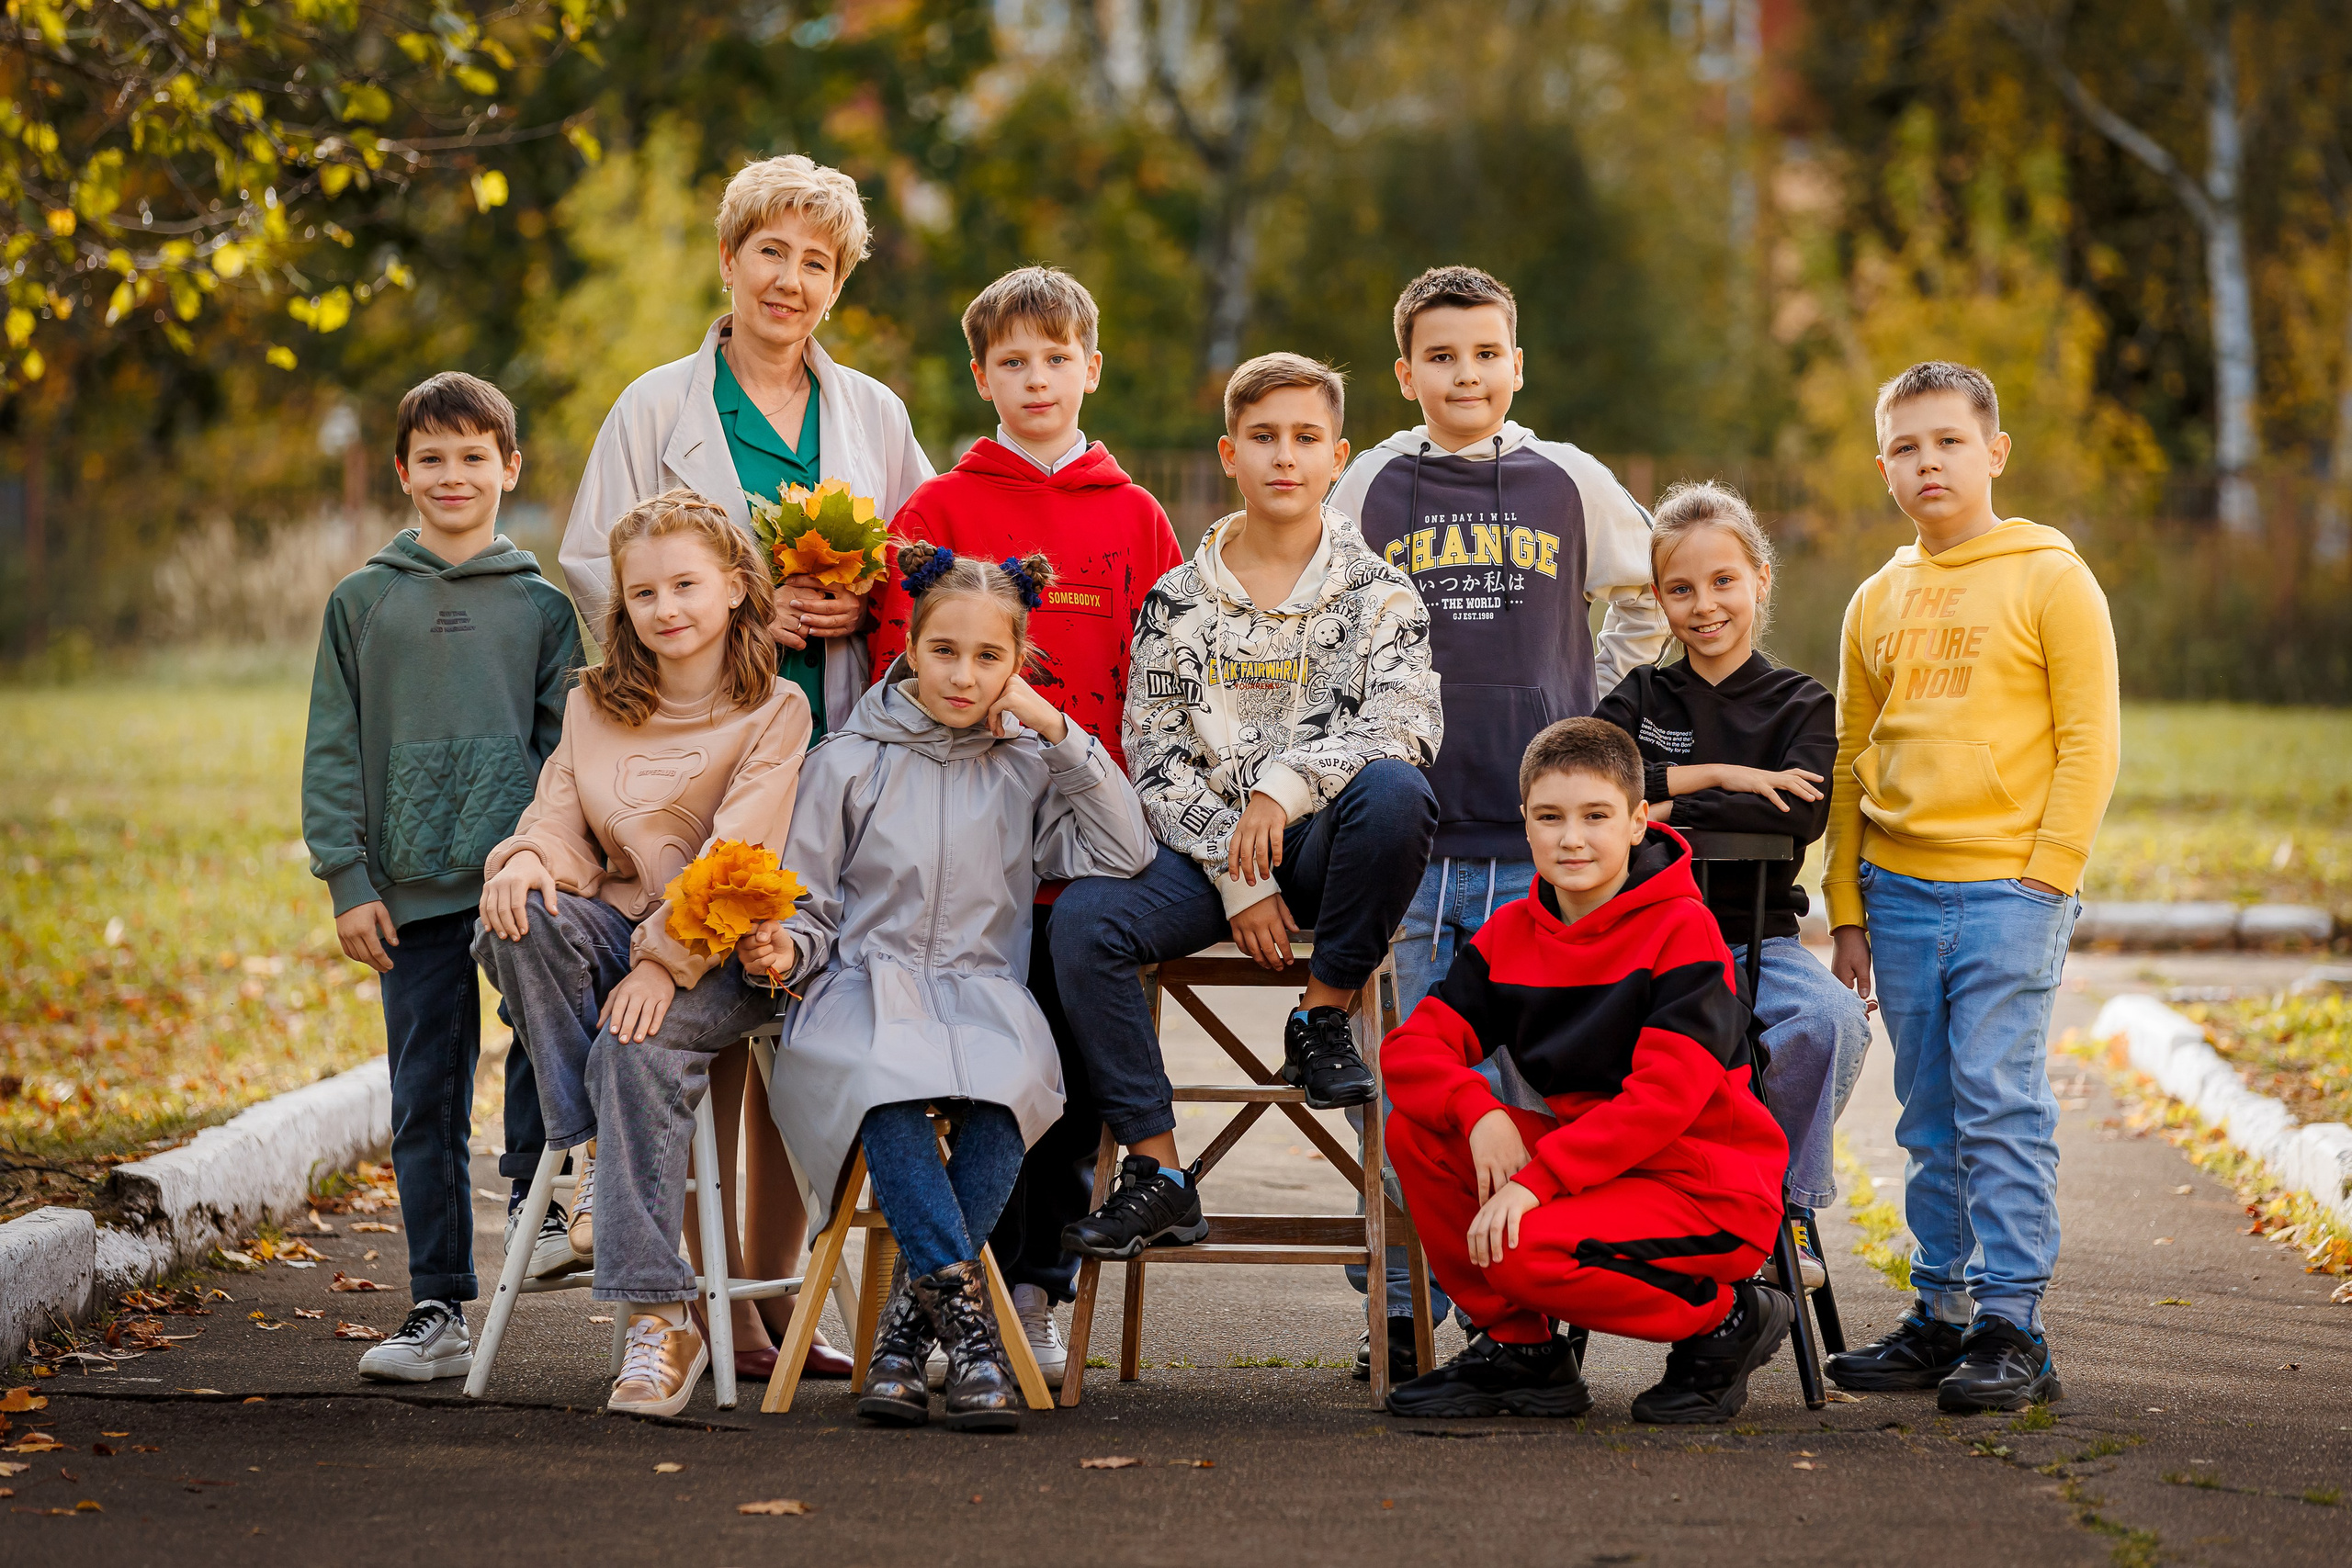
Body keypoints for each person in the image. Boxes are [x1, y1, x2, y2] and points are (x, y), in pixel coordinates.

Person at [556, 153, 931, 1370]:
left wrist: (864, 598)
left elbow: (921, 564)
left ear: (837, 285)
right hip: (698, 759)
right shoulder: (656, 409)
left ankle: (775, 1298)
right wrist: (738, 626)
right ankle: (705, 1294)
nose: (791, 278)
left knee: (796, 1011)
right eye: (771, 251)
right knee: (705, 1021)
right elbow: (599, 571)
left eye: (817, 262)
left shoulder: (869, 412)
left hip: (833, 751)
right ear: (730, 261)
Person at [1328, 265, 1668, 1371]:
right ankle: (1398, 1298)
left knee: (1536, 1088)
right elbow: (1316, 610)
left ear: (1516, 365)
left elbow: (1648, 592)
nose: (1464, 374)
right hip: (1419, 848)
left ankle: (1528, 1309)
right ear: (1405, 372)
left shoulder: (1567, 480)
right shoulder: (1369, 482)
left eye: (1484, 354)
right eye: (1441, 356)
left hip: (1541, 857)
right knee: (1416, 1085)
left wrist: (1594, 707)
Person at [740, 545, 1155, 1432]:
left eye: (989, 657)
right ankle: (971, 1338)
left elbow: (1124, 851)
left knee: (1010, 1099)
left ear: (1018, 663)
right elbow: (809, 909)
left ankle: (903, 1331)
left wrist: (1053, 728)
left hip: (983, 990)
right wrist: (783, 951)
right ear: (910, 645)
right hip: (865, 988)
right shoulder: (846, 760)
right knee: (886, 1092)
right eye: (944, 651)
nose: (964, 675)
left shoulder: (1025, 765)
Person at [865, 265, 1183, 1384]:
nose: (1036, 379)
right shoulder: (940, 512)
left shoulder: (1135, 514)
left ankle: (1029, 1293)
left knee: (1061, 1078)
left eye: (1056, 359)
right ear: (982, 377)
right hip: (955, 843)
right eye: (1013, 362)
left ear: (1091, 369)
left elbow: (1172, 681)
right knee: (944, 1077)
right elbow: (892, 663)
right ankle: (948, 1299)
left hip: (1086, 850)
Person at [1050, 353, 1442, 1260]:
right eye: (1263, 438)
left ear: (1337, 455)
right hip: (1206, 865)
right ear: (1229, 453)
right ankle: (1159, 1175)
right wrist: (1236, 875)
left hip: (1330, 856)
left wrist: (1281, 787)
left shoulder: (1379, 595)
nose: (1284, 458)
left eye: (1305, 439)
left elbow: (1402, 725)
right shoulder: (1175, 603)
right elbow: (1156, 762)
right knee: (1084, 921)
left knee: (1398, 790)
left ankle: (1320, 1016)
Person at [472, 490, 812, 1418]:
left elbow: (741, 855)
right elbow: (556, 819)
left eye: (687, 585)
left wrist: (663, 961)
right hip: (611, 932)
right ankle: (585, 1157)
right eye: (644, 594)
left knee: (633, 1051)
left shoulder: (777, 709)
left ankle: (659, 1321)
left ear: (739, 588)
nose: (667, 608)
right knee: (515, 915)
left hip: (728, 954)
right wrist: (523, 862)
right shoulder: (594, 704)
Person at [1821, 362, 2119, 1414]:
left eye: (1946, 441)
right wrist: (1846, 906)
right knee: (1928, 1113)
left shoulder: (2050, 577)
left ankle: (2012, 1326)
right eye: (1904, 446)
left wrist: (2048, 877)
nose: (1926, 462)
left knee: (2001, 1106)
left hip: (2008, 892)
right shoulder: (1876, 598)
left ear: (1993, 451)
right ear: (1882, 467)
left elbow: (2090, 743)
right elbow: (1853, 756)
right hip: (1895, 892)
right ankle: (1938, 1314)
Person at [1381, 718, 1792, 1425]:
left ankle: (1727, 1318)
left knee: (1517, 1252)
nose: (1572, 838)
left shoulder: (1683, 933)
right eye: (1551, 817)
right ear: (1526, 825)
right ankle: (1522, 1355)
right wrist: (1477, 1112)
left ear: (1637, 822)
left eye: (1595, 816)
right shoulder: (1508, 935)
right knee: (1418, 1131)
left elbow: (1662, 1100)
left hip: (1703, 1186)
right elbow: (1412, 1048)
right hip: (1596, 1172)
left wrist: (1538, 1181)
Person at [301, 372, 581, 1383]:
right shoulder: (362, 602)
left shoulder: (543, 609)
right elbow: (332, 748)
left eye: (474, 457)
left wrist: (550, 859)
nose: (453, 475)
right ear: (402, 472)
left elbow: (567, 755)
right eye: (433, 458)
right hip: (405, 893)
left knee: (545, 1047)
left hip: (518, 885)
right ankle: (437, 1305)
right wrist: (346, 877)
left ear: (509, 468)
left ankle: (538, 1207)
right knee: (424, 1095)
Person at [1594, 480, 1870, 1257]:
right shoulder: (1640, 694)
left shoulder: (1800, 706)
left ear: (1760, 578)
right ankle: (1634, 1207)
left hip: (1760, 942)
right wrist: (1729, 778)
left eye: (1723, 581)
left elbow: (1798, 819)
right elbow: (1596, 791)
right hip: (1647, 944)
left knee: (1830, 1021)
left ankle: (1780, 1211)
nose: (1705, 605)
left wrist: (1664, 806)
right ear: (1658, 598)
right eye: (1681, 589)